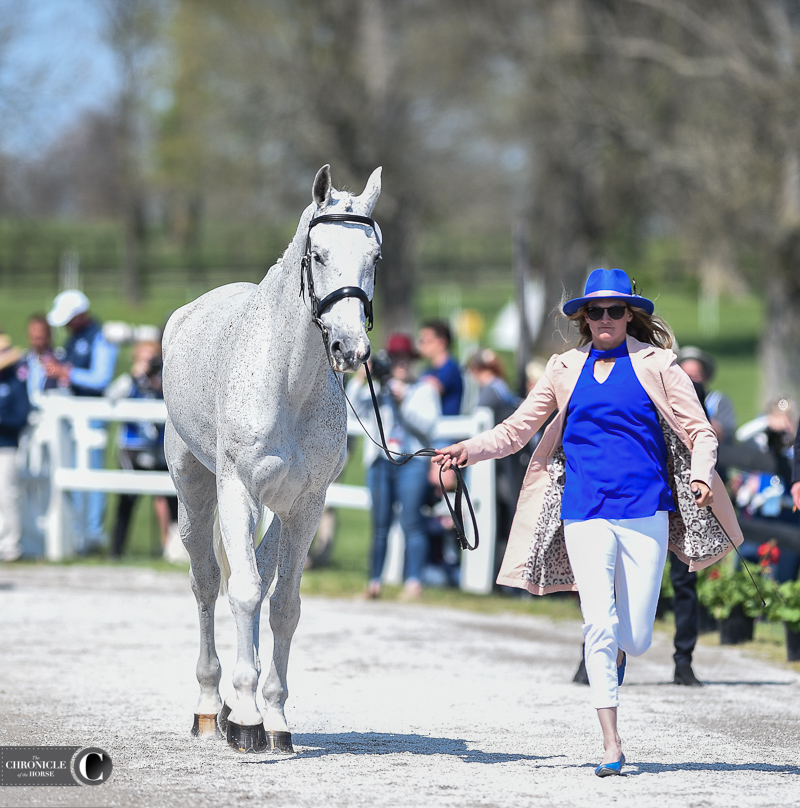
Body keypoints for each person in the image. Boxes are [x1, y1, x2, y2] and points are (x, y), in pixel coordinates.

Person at [433, 267, 742, 776]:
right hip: (583, 512)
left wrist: (703, 474)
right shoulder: (562, 368)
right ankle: (611, 744)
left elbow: (700, 431)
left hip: (646, 511)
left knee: (636, 636)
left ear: (630, 315)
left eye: (614, 310)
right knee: (598, 624)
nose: (604, 318)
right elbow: (516, 431)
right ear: (583, 317)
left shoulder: (659, 364)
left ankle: (622, 653)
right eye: (594, 311)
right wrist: (468, 449)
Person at [347, 333, 441, 599]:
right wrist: (361, 376)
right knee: (380, 524)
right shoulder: (376, 391)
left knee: (412, 521)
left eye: (405, 359)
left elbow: (428, 427)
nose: (400, 364)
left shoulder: (424, 390)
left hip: (411, 461)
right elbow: (351, 407)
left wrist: (403, 403)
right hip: (380, 462)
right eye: (395, 359)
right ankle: (374, 582)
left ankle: (414, 582)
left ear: (412, 361)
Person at [45, 289, 119, 552]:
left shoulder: (101, 337)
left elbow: (101, 378)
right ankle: (77, 532)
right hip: (75, 413)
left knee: (93, 472)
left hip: (93, 415)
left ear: (79, 315)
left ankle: (92, 533)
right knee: (75, 470)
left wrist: (67, 372)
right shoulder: (75, 338)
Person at [105, 340, 179, 559]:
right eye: (144, 358)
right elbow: (109, 395)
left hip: (159, 449)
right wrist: (133, 377)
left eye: (153, 358)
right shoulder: (130, 381)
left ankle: (176, 550)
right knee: (127, 500)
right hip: (133, 447)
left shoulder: (164, 380)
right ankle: (116, 550)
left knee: (173, 499)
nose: (149, 363)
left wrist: (161, 381)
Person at [0, 334, 32, 562]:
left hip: (7, 446)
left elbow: (20, 418)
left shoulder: (15, 384)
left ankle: (11, 543)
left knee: (6, 495)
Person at [676, 346, 736, 445]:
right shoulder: (671, 401)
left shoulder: (717, 400)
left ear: (704, 376)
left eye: (695, 375)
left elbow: (728, 433)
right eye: (687, 376)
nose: (691, 381)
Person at [417, 320, 463, 416]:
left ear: (442, 342)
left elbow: (432, 390)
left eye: (425, 341)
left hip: (448, 427)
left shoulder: (450, 368)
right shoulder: (427, 370)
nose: (421, 346)